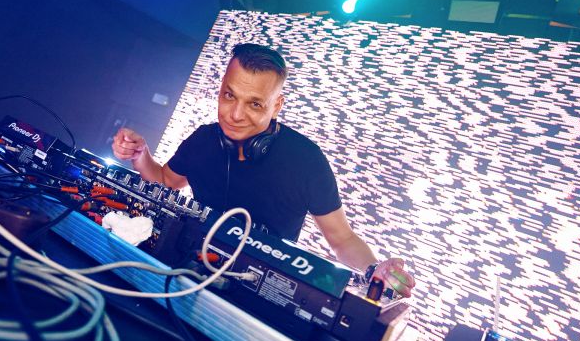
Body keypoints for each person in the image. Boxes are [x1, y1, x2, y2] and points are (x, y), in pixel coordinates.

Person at [112, 43, 415, 297]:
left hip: (258, 290)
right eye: (229, 96)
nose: (235, 114)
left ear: (277, 106)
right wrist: (141, 155)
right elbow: (165, 181)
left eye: (255, 104)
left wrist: (374, 270)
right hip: (186, 270)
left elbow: (342, 239)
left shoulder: (306, 160)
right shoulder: (203, 139)